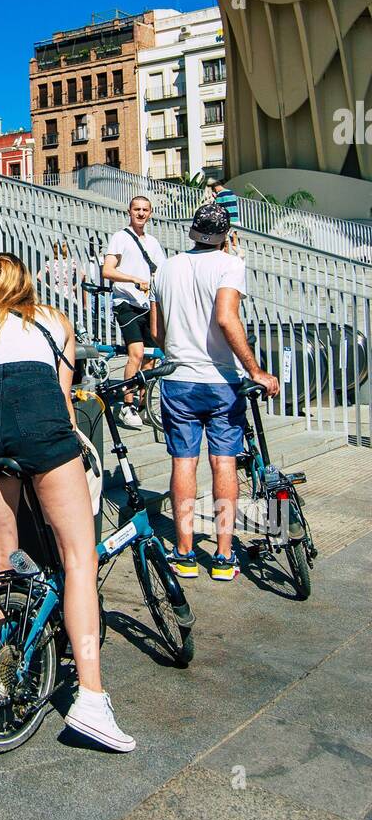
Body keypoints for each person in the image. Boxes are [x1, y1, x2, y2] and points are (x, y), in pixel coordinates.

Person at [0, 250, 135, 751]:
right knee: (79, 557)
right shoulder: (56, 321)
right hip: (42, 425)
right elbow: (61, 394)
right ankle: (91, 701)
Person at [150, 204, 280, 582]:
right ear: (225, 236)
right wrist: (255, 370)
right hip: (221, 380)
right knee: (223, 463)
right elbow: (226, 318)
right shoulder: (230, 264)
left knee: (183, 463)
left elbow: (156, 332)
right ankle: (223, 556)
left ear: (192, 232)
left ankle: (185, 552)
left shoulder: (166, 268)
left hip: (178, 380)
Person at [101, 197, 166, 429]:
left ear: (150, 213)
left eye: (145, 210)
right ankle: (127, 405)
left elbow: (161, 273)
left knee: (151, 358)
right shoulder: (120, 237)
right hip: (126, 302)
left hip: (147, 304)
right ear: (129, 211)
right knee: (136, 353)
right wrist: (133, 280)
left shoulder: (153, 243)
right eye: (137, 209)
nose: (140, 213)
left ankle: (143, 405)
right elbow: (108, 270)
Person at [209, 181, 241, 253]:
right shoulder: (231, 192)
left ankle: (226, 257)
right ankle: (239, 254)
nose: (215, 191)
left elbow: (218, 209)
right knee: (234, 242)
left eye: (214, 189)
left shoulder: (220, 195)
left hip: (227, 221)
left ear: (216, 187)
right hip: (235, 219)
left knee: (225, 242)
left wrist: (215, 198)